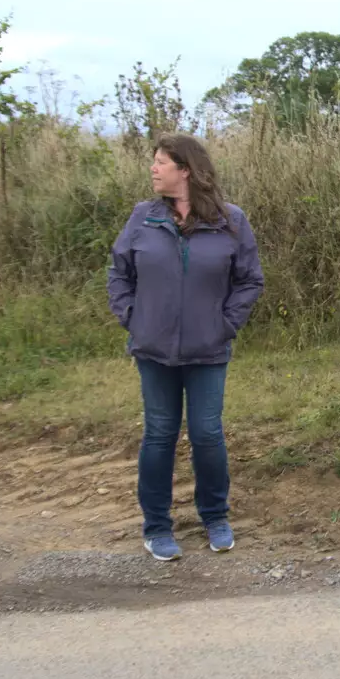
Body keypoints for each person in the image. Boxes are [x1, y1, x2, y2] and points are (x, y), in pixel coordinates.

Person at [108, 134, 265, 561]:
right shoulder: (142, 218)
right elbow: (119, 273)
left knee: (207, 433)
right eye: (154, 161)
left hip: (208, 348)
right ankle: (157, 526)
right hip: (153, 349)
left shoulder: (231, 221)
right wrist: (132, 316)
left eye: (161, 162)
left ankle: (215, 517)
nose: (153, 169)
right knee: (159, 434)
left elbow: (250, 280)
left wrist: (225, 324)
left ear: (186, 171)